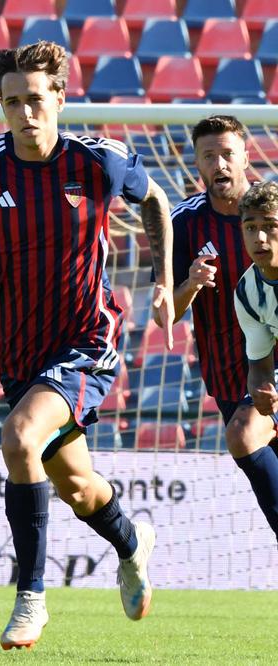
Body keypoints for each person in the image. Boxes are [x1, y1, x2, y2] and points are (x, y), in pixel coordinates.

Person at [0, 41, 174, 650]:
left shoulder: (98, 159)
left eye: (35, 99)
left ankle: (30, 598)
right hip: (20, 352)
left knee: (20, 437)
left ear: (59, 97)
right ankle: (132, 543)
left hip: (87, 338)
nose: (25, 113)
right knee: (78, 488)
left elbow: (156, 199)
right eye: (12, 103)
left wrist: (162, 279)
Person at [155, 115, 278, 542]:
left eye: (227, 153)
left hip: (271, 367)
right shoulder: (182, 223)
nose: (219, 164)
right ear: (197, 163)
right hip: (229, 375)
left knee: (243, 435)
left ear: (246, 156)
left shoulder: (271, 211)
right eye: (209, 156)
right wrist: (189, 284)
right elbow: (165, 316)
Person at [230, 180, 278, 540]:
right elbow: (260, 363)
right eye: (251, 227)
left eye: (270, 226)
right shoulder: (248, 291)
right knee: (243, 432)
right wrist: (262, 390)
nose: (259, 238)